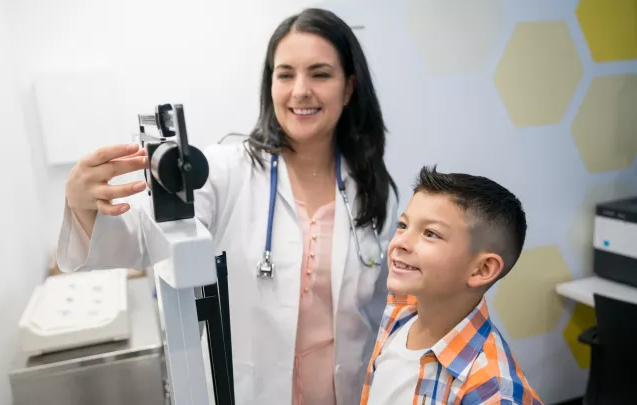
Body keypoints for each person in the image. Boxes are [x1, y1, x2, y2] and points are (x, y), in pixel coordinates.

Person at [58, 7, 399, 405]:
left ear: (348, 87)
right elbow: (148, 238)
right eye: (285, 73)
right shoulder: (226, 171)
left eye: (320, 73)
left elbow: (383, 312)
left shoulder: (374, 192)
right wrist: (85, 205)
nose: (300, 90)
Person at [359, 165, 542, 405]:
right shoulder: (399, 311)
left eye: (431, 234)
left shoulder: (493, 393)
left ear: (482, 269)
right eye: (403, 225)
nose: (400, 241)